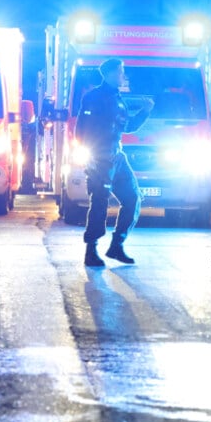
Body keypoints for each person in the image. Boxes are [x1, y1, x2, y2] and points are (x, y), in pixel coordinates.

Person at [76, 58, 154, 267]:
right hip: (99, 158)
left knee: (133, 198)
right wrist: (89, 157)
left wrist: (145, 112)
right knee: (99, 202)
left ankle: (116, 245)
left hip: (117, 157)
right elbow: (81, 130)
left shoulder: (118, 98)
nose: (123, 75)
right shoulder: (93, 98)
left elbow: (126, 126)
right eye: (121, 72)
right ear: (110, 74)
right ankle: (91, 250)